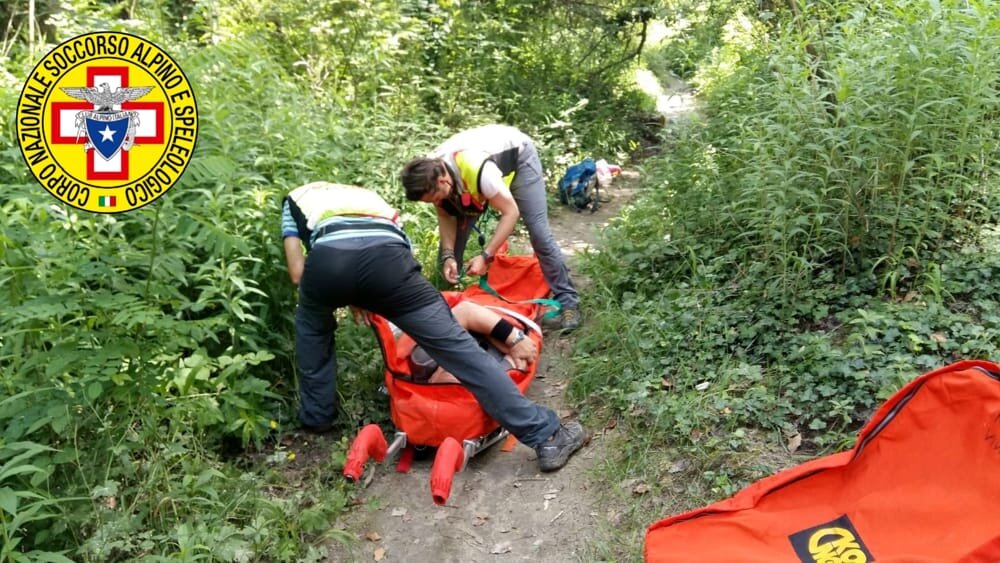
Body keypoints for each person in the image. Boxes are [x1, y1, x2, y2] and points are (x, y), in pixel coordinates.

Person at [281, 181, 585, 472]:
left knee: (313, 334)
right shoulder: (369, 198)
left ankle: (317, 419)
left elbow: (297, 273)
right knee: (459, 350)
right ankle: (547, 437)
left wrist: (345, 290)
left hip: (327, 267)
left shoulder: (296, 198)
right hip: (388, 262)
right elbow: (394, 251)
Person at [400, 124, 581, 332]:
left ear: (443, 181)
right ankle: (450, 304)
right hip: (471, 178)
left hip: (518, 156)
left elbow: (510, 212)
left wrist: (486, 256)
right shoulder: (429, 176)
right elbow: (445, 215)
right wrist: (448, 256)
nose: (436, 202)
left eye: (436, 197)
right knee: (447, 254)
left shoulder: (477, 169)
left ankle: (568, 301)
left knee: (538, 232)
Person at [406, 300, 538, 384]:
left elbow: (466, 311)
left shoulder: (423, 359)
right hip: (500, 323)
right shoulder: (497, 374)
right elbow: (522, 359)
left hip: (490, 313)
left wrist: (515, 338)